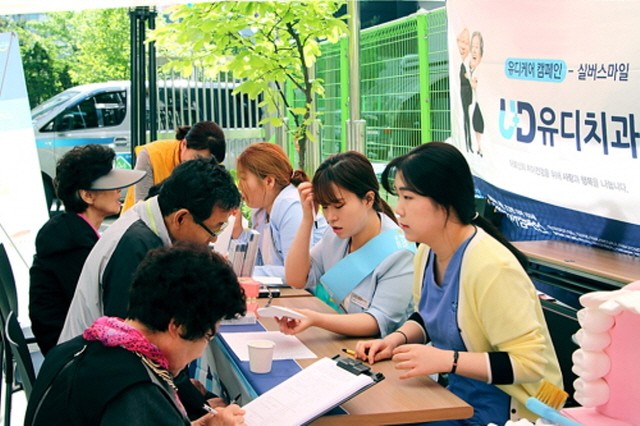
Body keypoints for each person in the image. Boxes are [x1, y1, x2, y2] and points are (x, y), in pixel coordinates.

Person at [355, 142, 563, 424]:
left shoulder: (492, 267)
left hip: (510, 411)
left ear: (445, 200)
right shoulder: (427, 250)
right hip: (456, 398)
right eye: (398, 197)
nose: (398, 209)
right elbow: (429, 317)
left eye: (408, 198)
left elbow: (530, 363)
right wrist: (395, 340)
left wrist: (446, 360)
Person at [59, 157, 240, 419]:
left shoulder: (148, 224)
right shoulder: (136, 249)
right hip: (90, 393)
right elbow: (140, 349)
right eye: (214, 229)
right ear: (181, 218)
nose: (213, 240)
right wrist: (198, 406)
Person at [25, 243, 247, 426]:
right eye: (208, 336)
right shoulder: (137, 394)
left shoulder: (78, 347)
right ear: (178, 326)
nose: (203, 348)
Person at [281, 151, 415, 338]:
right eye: (325, 207)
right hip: (343, 346)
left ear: (368, 199)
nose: (330, 217)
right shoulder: (336, 236)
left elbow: (377, 320)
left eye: (338, 206)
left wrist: (317, 319)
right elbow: (296, 278)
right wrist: (306, 220)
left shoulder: (400, 252)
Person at [29, 144, 145, 355]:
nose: (119, 189)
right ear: (87, 196)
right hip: (71, 355)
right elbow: (104, 303)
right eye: (111, 183)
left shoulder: (70, 231)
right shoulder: (73, 245)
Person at [230, 142, 327, 279]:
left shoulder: (291, 206)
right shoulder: (261, 209)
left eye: (244, 178)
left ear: (269, 181)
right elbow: (261, 262)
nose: (239, 185)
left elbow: (293, 273)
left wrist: (244, 273)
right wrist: (238, 232)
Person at [122, 121, 226, 212]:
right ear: (184, 144)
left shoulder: (211, 168)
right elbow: (142, 208)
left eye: (209, 163)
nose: (202, 166)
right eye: (198, 159)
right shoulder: (151, 155)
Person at [458, 28, 473, 154]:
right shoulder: (461, 63)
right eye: (460, 41)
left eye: (466, 43)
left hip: (470, 96)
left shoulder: (470, 64)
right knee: (466, 119)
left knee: (469, 119)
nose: (462, 46)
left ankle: (470, 145)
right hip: (465, 96)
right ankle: (468, 146)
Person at [470, 31, 485, 157]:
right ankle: (479, 148)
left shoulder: (484, 67)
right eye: (472, 47)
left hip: (483, 103)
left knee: (479, 122)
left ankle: (481, 148)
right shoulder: (472, 65)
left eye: (477, 47)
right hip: (477, 102)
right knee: (476, 122)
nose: (474, 50)